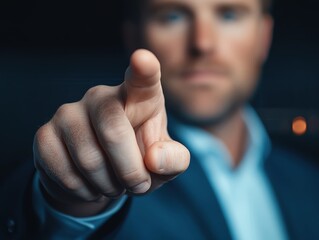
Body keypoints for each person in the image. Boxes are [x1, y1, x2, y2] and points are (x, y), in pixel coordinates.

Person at [1, 0, 319, 239]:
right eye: (173, 16)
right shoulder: (115, 183)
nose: (202, 44)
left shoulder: (308, 183)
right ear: (134, 37)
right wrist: (65, 201)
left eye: (229, 14)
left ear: (263, 38)